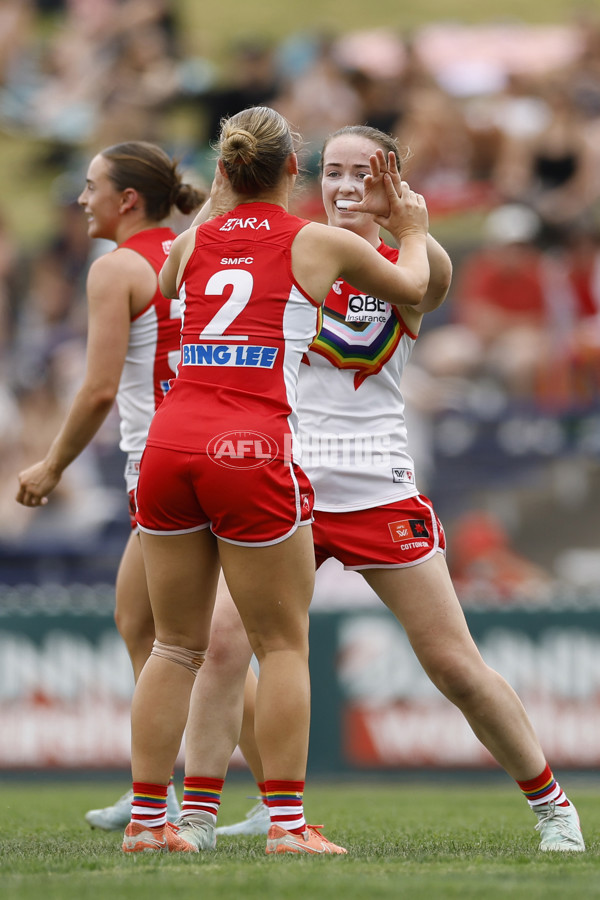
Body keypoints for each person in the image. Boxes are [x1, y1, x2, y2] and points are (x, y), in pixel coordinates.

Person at [201, 125, 585, 853]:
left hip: (378, 485)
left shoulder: (408, 262)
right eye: (333, 171)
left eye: (363, 172)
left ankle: (553, 804)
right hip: (290, 482)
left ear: (392, 180)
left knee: (453, 665)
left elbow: (431, 281)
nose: (345, 186)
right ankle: (229, 809)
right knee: (222, 645)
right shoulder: (290, 250)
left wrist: (407, 221)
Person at [124, 105, 432, 856]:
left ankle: (146, 822)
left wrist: (225, 205)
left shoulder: (194, 238)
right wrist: (416, 229)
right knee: (282, 644)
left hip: (171, 440)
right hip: (249, 445)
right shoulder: (317, 240)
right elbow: (413, 288)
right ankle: (288, 826)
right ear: (294, 172)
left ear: (227, 170)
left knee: (175, 647)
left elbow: (169, 286)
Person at [14, 140, 205, 828]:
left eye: (91, 186)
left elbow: (97, 390)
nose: (80, 199)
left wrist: (51, 466)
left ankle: (245, 800)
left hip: (160, 461)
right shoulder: (192, 254)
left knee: (185, 645)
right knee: (143, 624)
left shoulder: (116, 267)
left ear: (128, 200)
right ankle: (158, 785)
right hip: (214, 453)